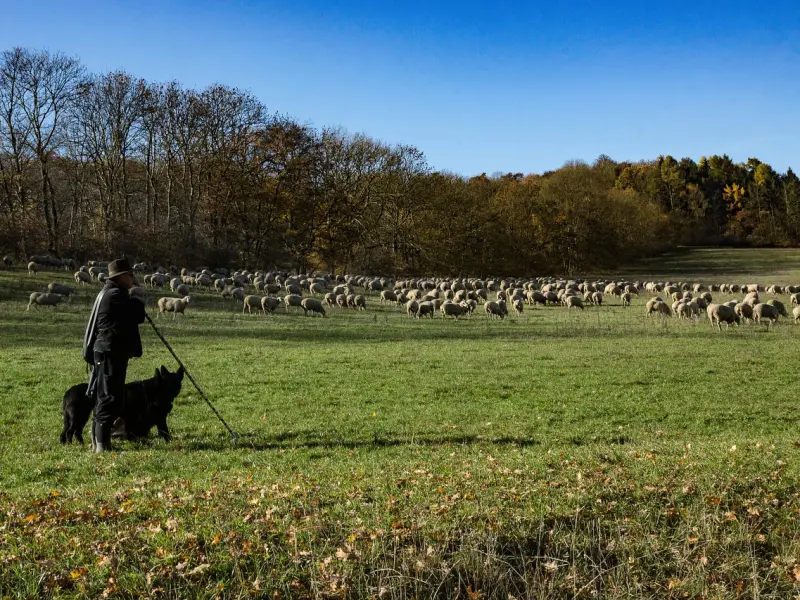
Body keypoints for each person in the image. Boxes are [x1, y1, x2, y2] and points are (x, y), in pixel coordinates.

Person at [82, 258, 146, 452]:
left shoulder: (110, 293)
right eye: (130, 275)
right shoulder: (116, 295)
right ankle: (102, 446)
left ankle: (99, 443)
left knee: (107, 396)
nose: (133, 279)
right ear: (120, 277)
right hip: (111, 351)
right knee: (109, 397)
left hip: (108, 350)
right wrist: (138, 298)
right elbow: (137, 315)